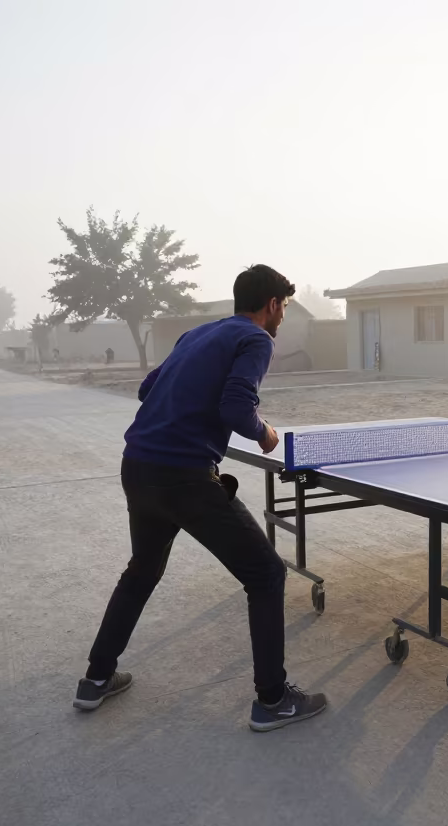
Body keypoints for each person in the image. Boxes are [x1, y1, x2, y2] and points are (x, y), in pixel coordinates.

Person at [74, 264, 328, 732]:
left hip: (138, 467)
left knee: (142, 571)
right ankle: (272, 700)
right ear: (272, 305)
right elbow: (236, 406)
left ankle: (95, 678)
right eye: (285, 308)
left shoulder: (195, 335)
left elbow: (146, 388)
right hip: (184, 477)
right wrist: (265, 433)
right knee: (267, 574)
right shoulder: (256, 340)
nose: (283, 317)